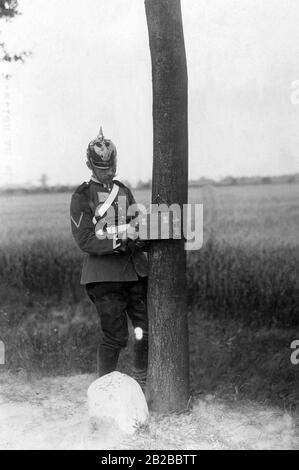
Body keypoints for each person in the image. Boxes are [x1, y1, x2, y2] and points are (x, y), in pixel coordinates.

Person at [70, 127, 149, 388]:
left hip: (134, 273)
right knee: (116, 337)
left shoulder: (123, 190)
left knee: (143, 331)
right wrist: (120, 236)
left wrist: (142, 232)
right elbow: (85, 239)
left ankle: (143, 382)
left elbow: (137, 225)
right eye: (102, 167)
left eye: (111, 165)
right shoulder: (83, 196)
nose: (109, 171)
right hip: (104, 277)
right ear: (90, 165)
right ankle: (104, 392)